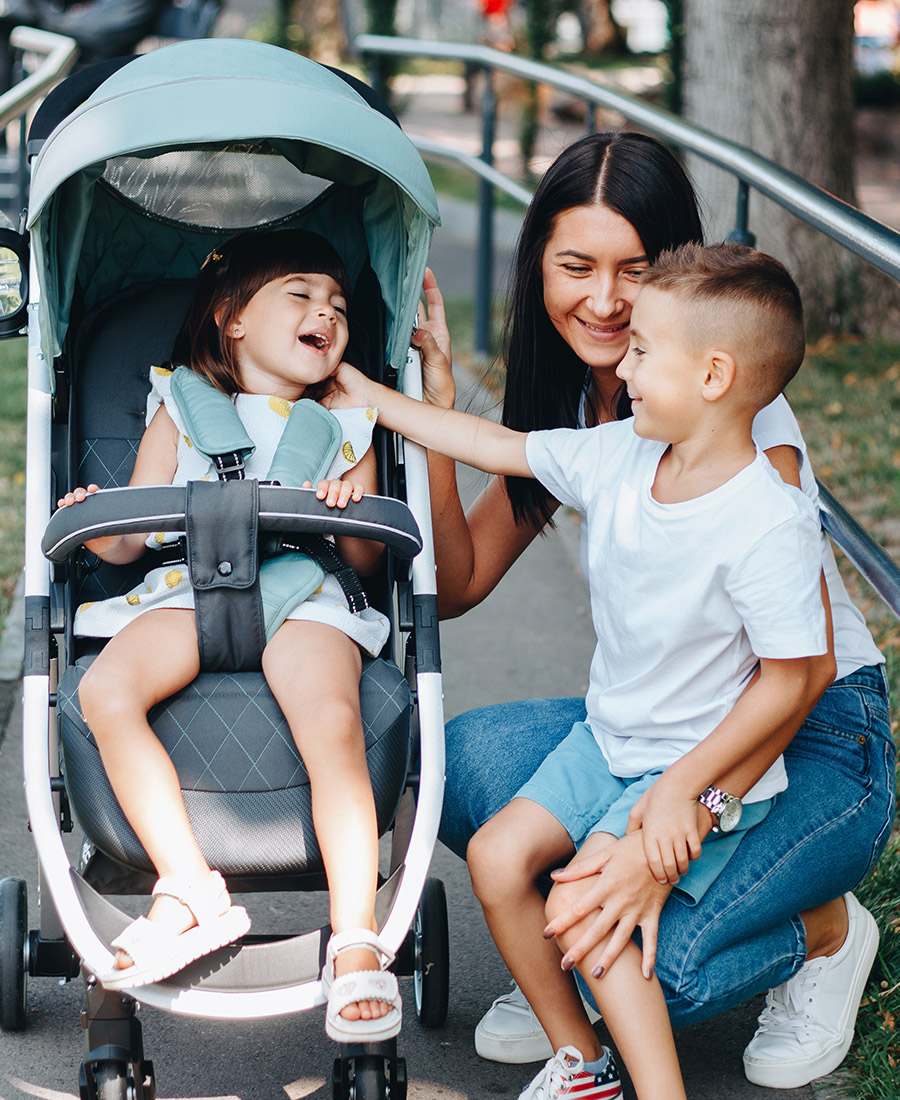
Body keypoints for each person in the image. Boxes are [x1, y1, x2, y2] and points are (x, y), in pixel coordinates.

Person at [417, 130, 894, 1090]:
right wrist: (432, 403)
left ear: (676, 271)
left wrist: (679, 820)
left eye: (633, 270)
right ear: (537, 267)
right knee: (457, 761)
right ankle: (576, 952)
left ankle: (828, 934)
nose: (602, 300)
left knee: (662, 978)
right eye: (575, 266)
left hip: (809, 736)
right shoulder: (602, 408)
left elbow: (788, 679)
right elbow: (461, 582)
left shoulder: (745, 432)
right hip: (668, 729)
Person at [335, 241, 830, 1098]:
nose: (621, 366)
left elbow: (792, 679)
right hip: (608, 740)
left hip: (690, 763)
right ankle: (584, 1063)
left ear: (713, 376)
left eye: (642, 351)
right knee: (495, 858)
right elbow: (498, 446)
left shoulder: (766, 520)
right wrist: (378, 398)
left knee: (582, 909)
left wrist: (691, 789)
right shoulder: (622, 457)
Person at [55, 228, 403, 1044]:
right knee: (105, 690)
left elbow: (364, 557)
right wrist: (91, 520)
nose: (327, 312)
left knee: (333, 722)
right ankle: (188, 889)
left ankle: (356, 939)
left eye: (340, 305)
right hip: (190, 585)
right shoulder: (179, 402)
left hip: (303, 588)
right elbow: (129, 537)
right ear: (231, 319)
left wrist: (344, 509)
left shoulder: (347, 421)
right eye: (302, 295)